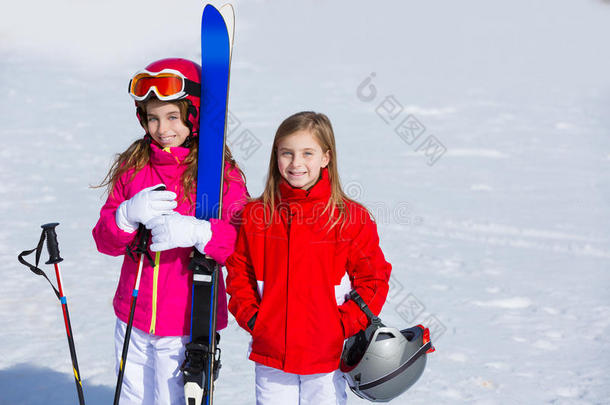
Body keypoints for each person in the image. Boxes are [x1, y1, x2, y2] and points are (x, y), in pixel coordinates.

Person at [92, 58, 248, 405]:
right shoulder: (133, 167)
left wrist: (200, 233)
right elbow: (104, 240)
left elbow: (242, 242)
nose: (162, 128)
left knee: (170, 398)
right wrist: (126, 216)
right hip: (132, 314)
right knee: (132, 396)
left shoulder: (220, 174)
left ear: (193, 115)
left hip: (185, 321)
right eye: (153, 117)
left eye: (173, 117)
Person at [225, 111, 391, 405]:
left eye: (307, 153)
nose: (296, 163)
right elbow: (239, 274)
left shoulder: (349, 218)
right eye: (287, 153)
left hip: (326, 358)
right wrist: (254, 318)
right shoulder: (256, 216)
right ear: (276, 155)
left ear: (326, 157)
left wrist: (342, 325)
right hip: (271, 353)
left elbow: (373, 279)